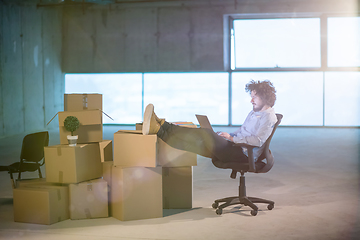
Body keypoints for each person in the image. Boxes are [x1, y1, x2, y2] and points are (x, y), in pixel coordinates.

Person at [142, 80, 278, 163]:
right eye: (251, 97)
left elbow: (258, 141)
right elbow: (242, 131)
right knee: (193, 145)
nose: (251, 100)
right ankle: (159, 130)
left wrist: (231, 138)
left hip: (243, 154)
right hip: (235, 147)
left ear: (264, 98)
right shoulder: (255, 112)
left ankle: (164, 125)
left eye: (255, 97)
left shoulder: (269, 117)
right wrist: (228, 136)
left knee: (205, 133)